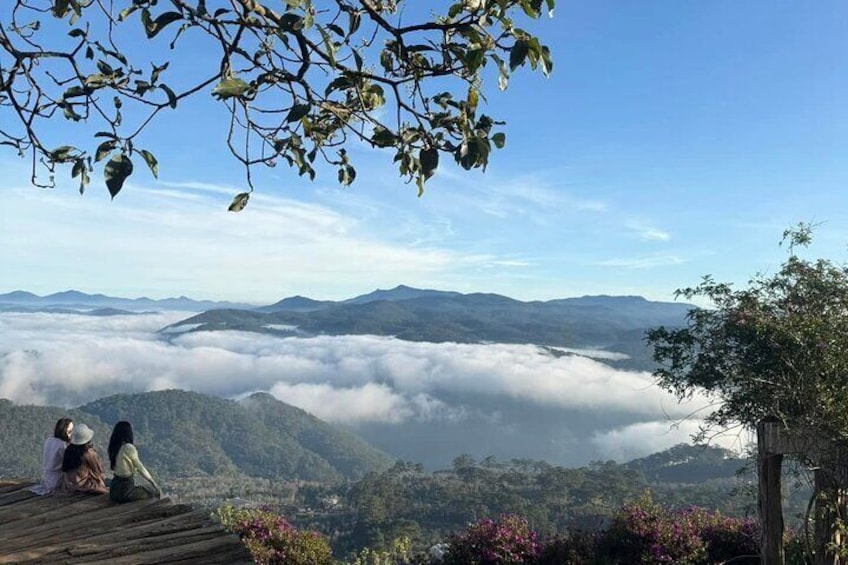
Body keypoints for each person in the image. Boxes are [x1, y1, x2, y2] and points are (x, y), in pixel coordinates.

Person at [107, 421, 161, 503]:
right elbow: (140, 468)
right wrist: (153, 482)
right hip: (126, 490)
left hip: (114, 490)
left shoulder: (114, 448)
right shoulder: (128, 448)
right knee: (153, 491)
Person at [57, 423, 107, 494]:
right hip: (83, 485)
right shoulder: (88, 453)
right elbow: (98, 470)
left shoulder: (68, 450)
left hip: (69, 485)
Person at [29, 418, 73, 495]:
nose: (71, 434)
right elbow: (68, 463)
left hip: (46, 477)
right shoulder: (62, 445)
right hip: (57, 479)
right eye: (69, 431)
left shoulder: (49, 440)